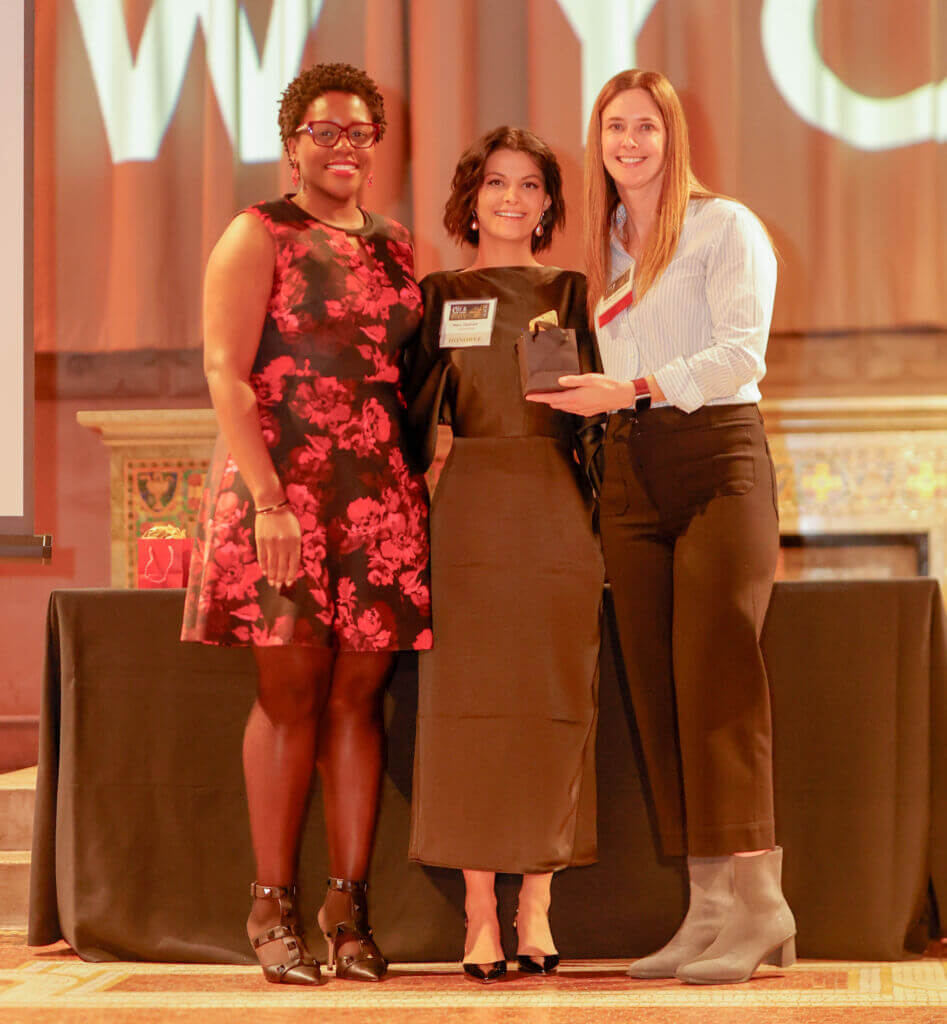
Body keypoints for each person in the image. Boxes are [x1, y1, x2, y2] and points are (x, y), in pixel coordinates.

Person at [528, 69, 796, 985]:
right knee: (658, 692)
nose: (628, 142)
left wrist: (632, 388)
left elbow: (738, 354)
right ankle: (708, 909)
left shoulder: (725, 227)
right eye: (614, 127)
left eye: (645, 126)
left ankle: (762, 904)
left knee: (718, 681)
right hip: (629, 469)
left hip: (716, 459)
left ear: (672, 135)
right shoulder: (602, 247)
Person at [181, 62, 432, 985]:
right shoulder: (259, 232)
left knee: (357, 702)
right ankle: (271, 903)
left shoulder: (397, 246)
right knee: (291, 697)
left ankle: (346, 908)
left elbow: (414, 374)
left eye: (359, 132)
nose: (343, 146)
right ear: (293, 145)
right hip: (282, 493)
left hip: (379, 496)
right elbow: (224, 371)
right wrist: (269, 501)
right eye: (324, 131)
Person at [404, 127, 605, 984]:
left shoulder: (570, 291)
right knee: (469, 707)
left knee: (551, 700)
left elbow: (595, 418)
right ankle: (481, 910)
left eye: (529, 184)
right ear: (471, 197)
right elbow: (411, 419)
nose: (512, 198)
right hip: (470, 516)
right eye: (496, 182)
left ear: (549, 203)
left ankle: (538, 905)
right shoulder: (440, 294)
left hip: (556, 509)